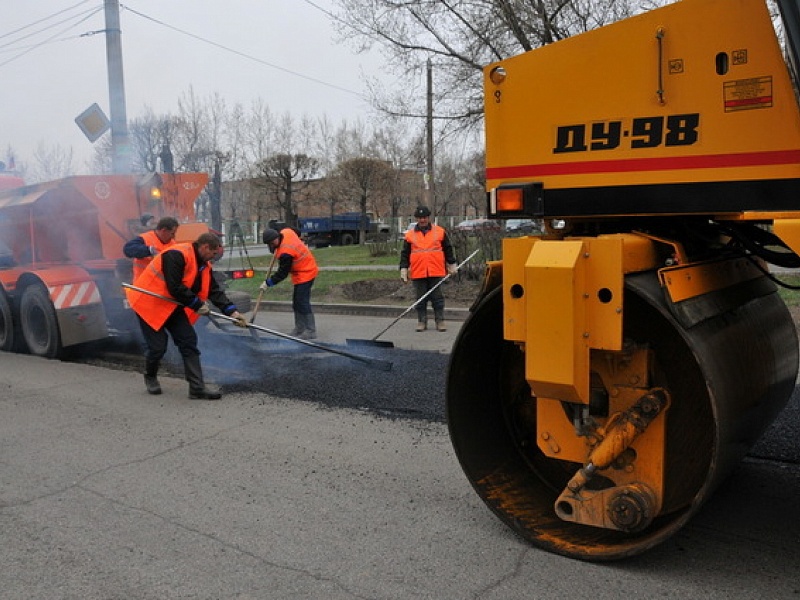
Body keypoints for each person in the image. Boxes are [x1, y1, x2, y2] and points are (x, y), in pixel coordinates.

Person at [125, 232, 247, 400]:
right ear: (205, 247)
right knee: (158, 347)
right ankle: (150, 376)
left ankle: (197, 388)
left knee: (188, 341)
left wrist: (232, 312)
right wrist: (197, 304)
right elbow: (174, 286)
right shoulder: (176, 255)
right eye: (213, 254)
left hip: (171, 305)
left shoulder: (204, 265)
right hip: (149, 304)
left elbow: (214, 291)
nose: (213, 258)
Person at [399, 205, 458, 332]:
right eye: (420, 218)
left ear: (428, 218)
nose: (422, 220)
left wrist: (452, 264)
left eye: (424, 217)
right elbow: (405, 253)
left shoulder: (439, 232)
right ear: (416, 219)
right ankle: (422, 321)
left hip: (435, 271)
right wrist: (403, 268)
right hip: (418, 271)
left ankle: (440, 321)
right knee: (420, 299)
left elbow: (447, 248)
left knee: (438, 298)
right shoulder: (410, 235)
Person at [260, 227, 319, 339]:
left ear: (277, 237)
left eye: (272, 243)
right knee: (296, 302)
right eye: (270, 244)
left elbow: (282, 273)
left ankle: (311, 330)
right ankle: (300, 328)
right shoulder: (286, 231)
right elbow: (296, 231)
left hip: (307, 271)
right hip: (299, 273)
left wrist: (268, 283)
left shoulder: (285, 253)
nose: (272, 245)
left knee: (302, 302)